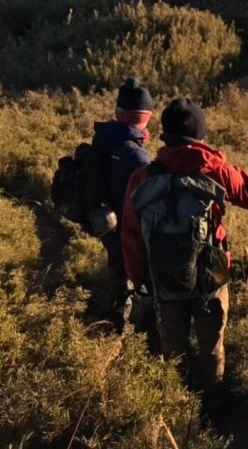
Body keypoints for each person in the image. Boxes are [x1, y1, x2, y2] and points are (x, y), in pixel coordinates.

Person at [121, 97, 248, 403]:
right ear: (200, 135)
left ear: (166, 135)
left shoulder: (143, 179)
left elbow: (131, 235)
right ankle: (213, 403)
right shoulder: (217, 170)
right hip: (213, 275)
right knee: (211, 347)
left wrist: (140, 279)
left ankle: (178, 405)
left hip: (163, 279)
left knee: (173, 352)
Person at [92, 76, 154, 318]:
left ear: (118, 112)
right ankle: (136, 323)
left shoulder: (104, 139)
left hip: (108, 222)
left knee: (117, 271)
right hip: (131, 230)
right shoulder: (137, 157)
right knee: (143, 274)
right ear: (145, 116)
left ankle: (115, 318)